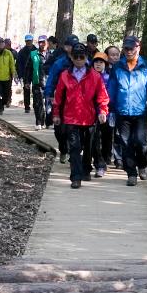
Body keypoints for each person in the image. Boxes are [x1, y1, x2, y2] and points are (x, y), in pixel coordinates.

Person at [51, 45, 109, 189]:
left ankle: (86, 170)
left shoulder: (94, 76)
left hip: (89, 118)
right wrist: (56, 113)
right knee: (75, 148)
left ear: (86, 58)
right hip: (71, 118)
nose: (78, 60)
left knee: (88, 146)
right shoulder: (65, 75)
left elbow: (102, 96)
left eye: (81, 57)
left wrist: (103, 111)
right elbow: (58, 96)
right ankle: (75, 177)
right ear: (71, 57)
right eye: (75, 56)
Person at [108, 36, 147, 186]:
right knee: (126, 143)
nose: (128, 51)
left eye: (131, 48)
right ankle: (131, 173)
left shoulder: (146, 66)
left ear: (138, 48)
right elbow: (111, 88)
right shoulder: (118, 67)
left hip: (140, 111)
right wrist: (110, 108)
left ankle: (142, 166)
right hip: (122, 112)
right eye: (126, 48)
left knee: (140, 142)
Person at [43, 34, 80, 161]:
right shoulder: (60, 63)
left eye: (76, 45)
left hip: (77, 102)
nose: (73, 48)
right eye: (71, 45)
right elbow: (51, 79)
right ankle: (63, 148)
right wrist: (48, 94)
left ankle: (72, 152)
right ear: (66, 47)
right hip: (60, 100)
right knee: (59, 130)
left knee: (74, 129)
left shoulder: (83, 61)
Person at [91, 52, 114, 177]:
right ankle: (99, 163)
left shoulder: (110, 78)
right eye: (96, 62)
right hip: (92, 113)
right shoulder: (89, 77)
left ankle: (105, 160)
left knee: (106, 138)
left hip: (107, 113)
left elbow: (112, 96)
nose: (98, 64)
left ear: (106, 64)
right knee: (94, 138)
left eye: (101, 62)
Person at [15, 34, 40, 114]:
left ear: (32, 41)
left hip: (35, 73)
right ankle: (27, 106)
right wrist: (20, 75)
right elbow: (18, 64)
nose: (29, 42)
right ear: (25, 41)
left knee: (36, 90)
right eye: (27, 41)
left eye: (30, 40)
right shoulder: (22, 52)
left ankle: (36, 106)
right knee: (26, 89)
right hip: (26, 74)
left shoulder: (36, 50)